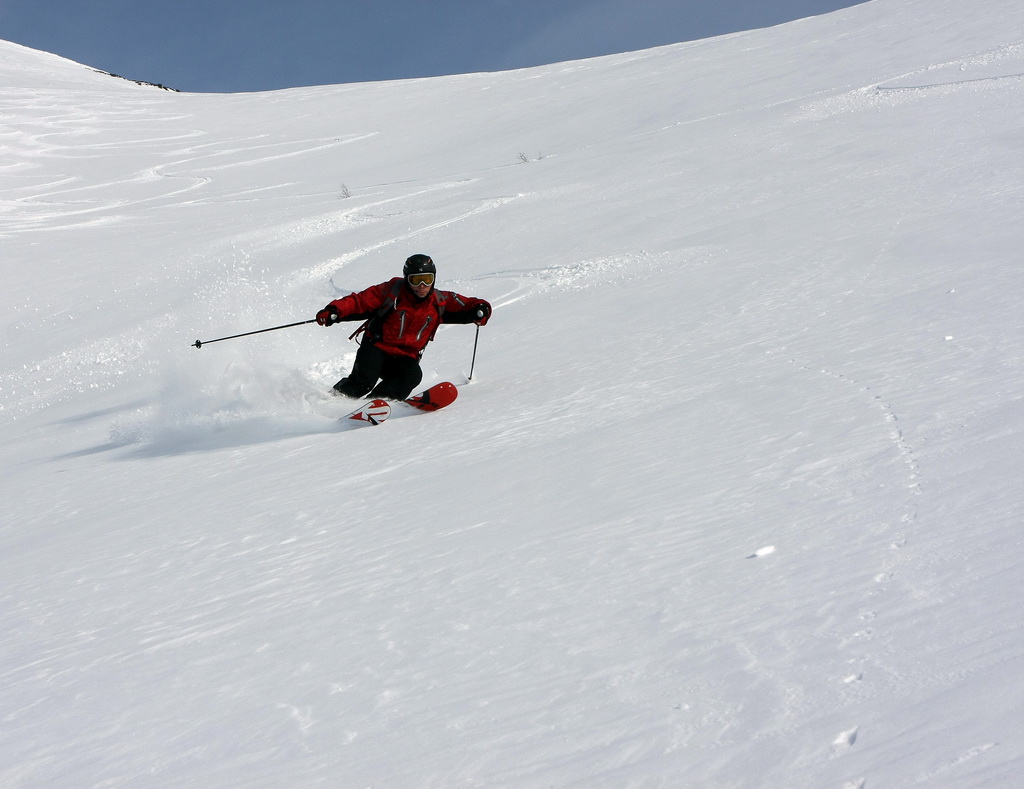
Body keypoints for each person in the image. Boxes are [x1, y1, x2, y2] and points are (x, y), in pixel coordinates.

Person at [315, 254, 491, 400]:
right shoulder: (391, 291)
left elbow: (467, 304)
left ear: (434, 279)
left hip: (405, 357)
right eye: (416, 280)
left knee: (412, 375)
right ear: (407, 279)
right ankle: (331, 401)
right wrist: (334, 310)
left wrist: (481, 308)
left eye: (427, 280)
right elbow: (360, 301)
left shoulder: (439, 301)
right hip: (377, 348)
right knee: (363, 382)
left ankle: (378, 403)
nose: (422, 286)